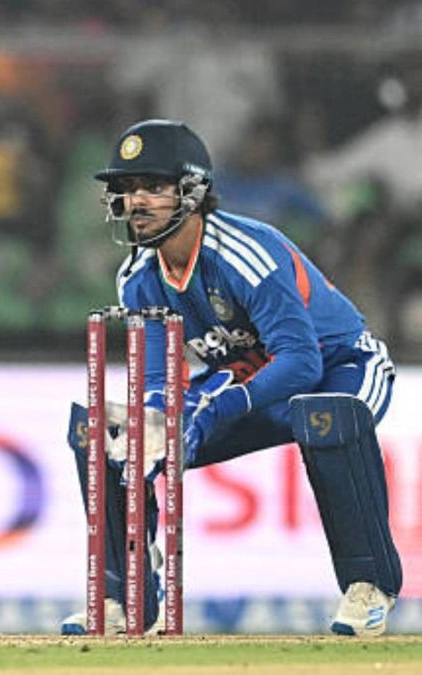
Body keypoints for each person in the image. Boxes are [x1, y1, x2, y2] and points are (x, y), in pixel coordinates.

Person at [61, 119, 401, 637]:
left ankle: (369, 586)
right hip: (249, 378)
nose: (137, 202)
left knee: (325, 416)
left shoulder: (244, 252)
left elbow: (301, 361)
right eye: (128, 190)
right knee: (110, 435)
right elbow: (156, 377)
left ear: (192, 190)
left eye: (153, 186)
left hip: (342, 364)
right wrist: (160, 425)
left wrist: (218, 408)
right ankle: (123, 594)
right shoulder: (137, 277)